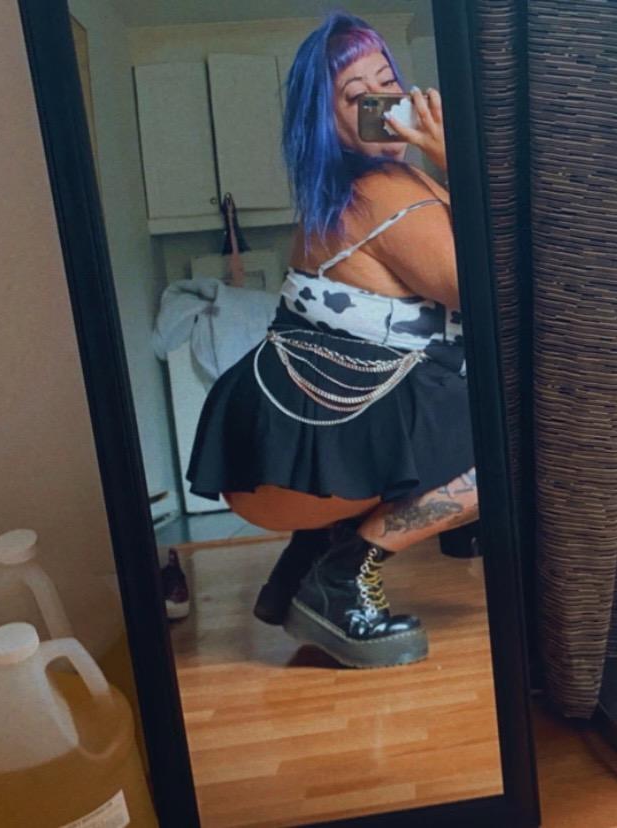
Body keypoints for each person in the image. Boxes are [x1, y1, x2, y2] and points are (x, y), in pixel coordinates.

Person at [186, 12, 478, 668]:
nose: (384, 103)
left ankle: (306, 564)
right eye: (356, 96)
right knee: (510, 441)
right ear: (325, 121)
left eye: (387, 83)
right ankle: (340, 577)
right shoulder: (382, 192)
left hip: (283, 431)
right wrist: (457, 156)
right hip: (301, 438)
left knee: (448, 399)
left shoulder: (364, 187)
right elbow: (486, 292)